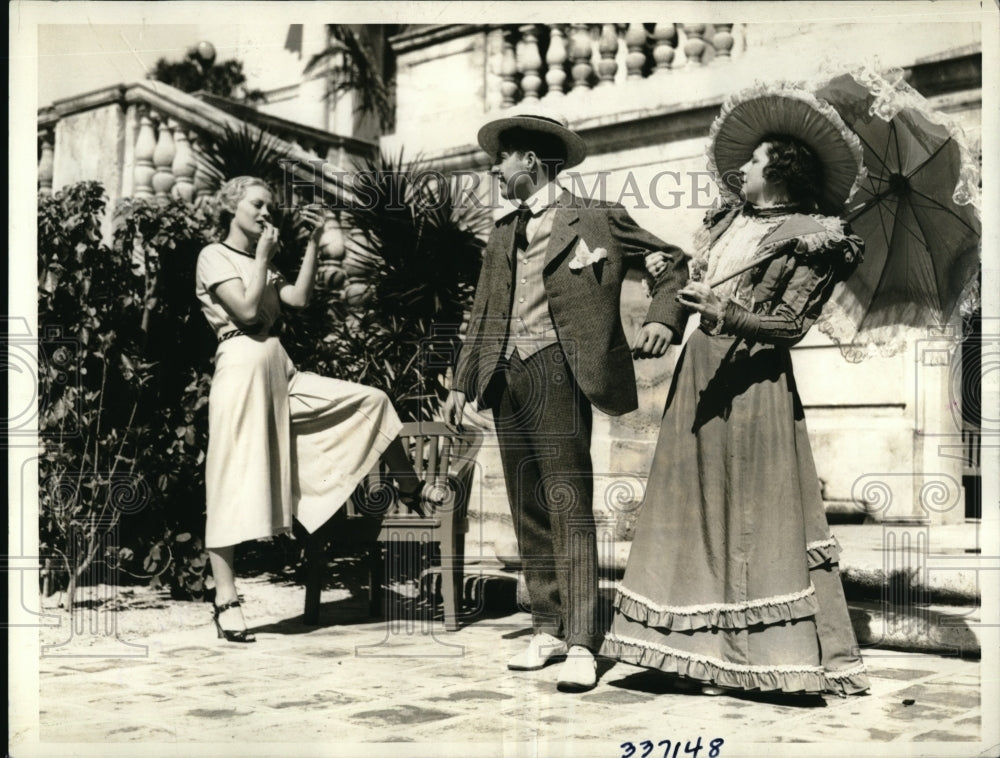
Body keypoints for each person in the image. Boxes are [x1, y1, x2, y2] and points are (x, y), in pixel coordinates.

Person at [601, 84, 871, 697]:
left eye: (753, 161)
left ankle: (754, 657)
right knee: (690, 504)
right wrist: (679, 286)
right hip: (699, 371)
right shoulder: (728, 222)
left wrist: (728, 312)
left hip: (753, 382)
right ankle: (684, 653)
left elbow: (791, 326)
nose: (741, 167)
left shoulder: (814, 236)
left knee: (751, 513)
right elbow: (694, 281)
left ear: (778, 171)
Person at [443, 107, 690, 692]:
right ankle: (548, 627)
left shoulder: (598, 219)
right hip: (506, 375)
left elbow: (672, 261)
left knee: (567, 499)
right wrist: (460, 382)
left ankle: (583, 639)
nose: (494, 171)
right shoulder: (503, 232)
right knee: (527, 503)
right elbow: (483, 310)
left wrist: (663, 319)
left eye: (499, 160)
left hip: (561, 370)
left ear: (531, 160)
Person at [196, 176, 438, 643]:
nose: (266, 213)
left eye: (269, 206)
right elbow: (246, 314)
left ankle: (409, 488)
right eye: (256, 205)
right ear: (232, 207)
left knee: (372, 401)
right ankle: (225, 597)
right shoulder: (214, 256)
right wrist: (264, 259)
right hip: (241, 366)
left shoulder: (258, 260)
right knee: (228, 479)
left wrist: (309, 243)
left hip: (280, 368)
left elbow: (299, 300)